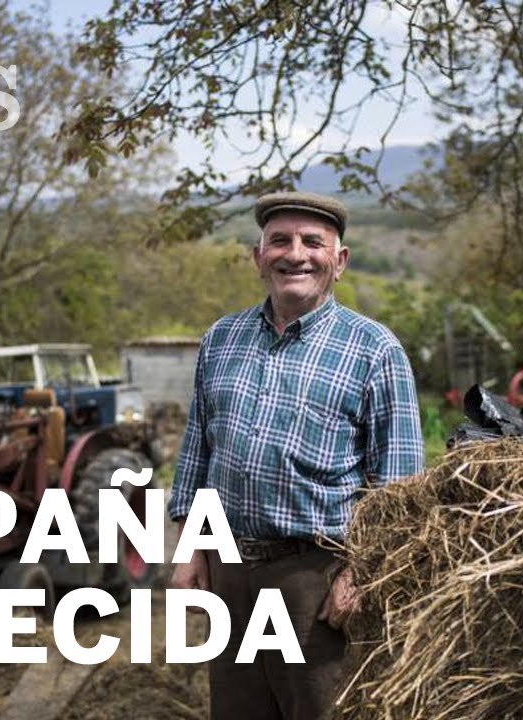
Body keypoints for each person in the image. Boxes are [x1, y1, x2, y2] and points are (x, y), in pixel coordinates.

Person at [168, 191, 424, 720]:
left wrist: (363, 572)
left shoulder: (374, 350)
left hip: (315, 578)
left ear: (340, 261)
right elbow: (198, 452)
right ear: (259, 257)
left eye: (313, 242)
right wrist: (191, 549)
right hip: (229, 570)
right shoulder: (221, 339)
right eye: (279, 241)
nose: (296, 254)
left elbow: (400, 487)